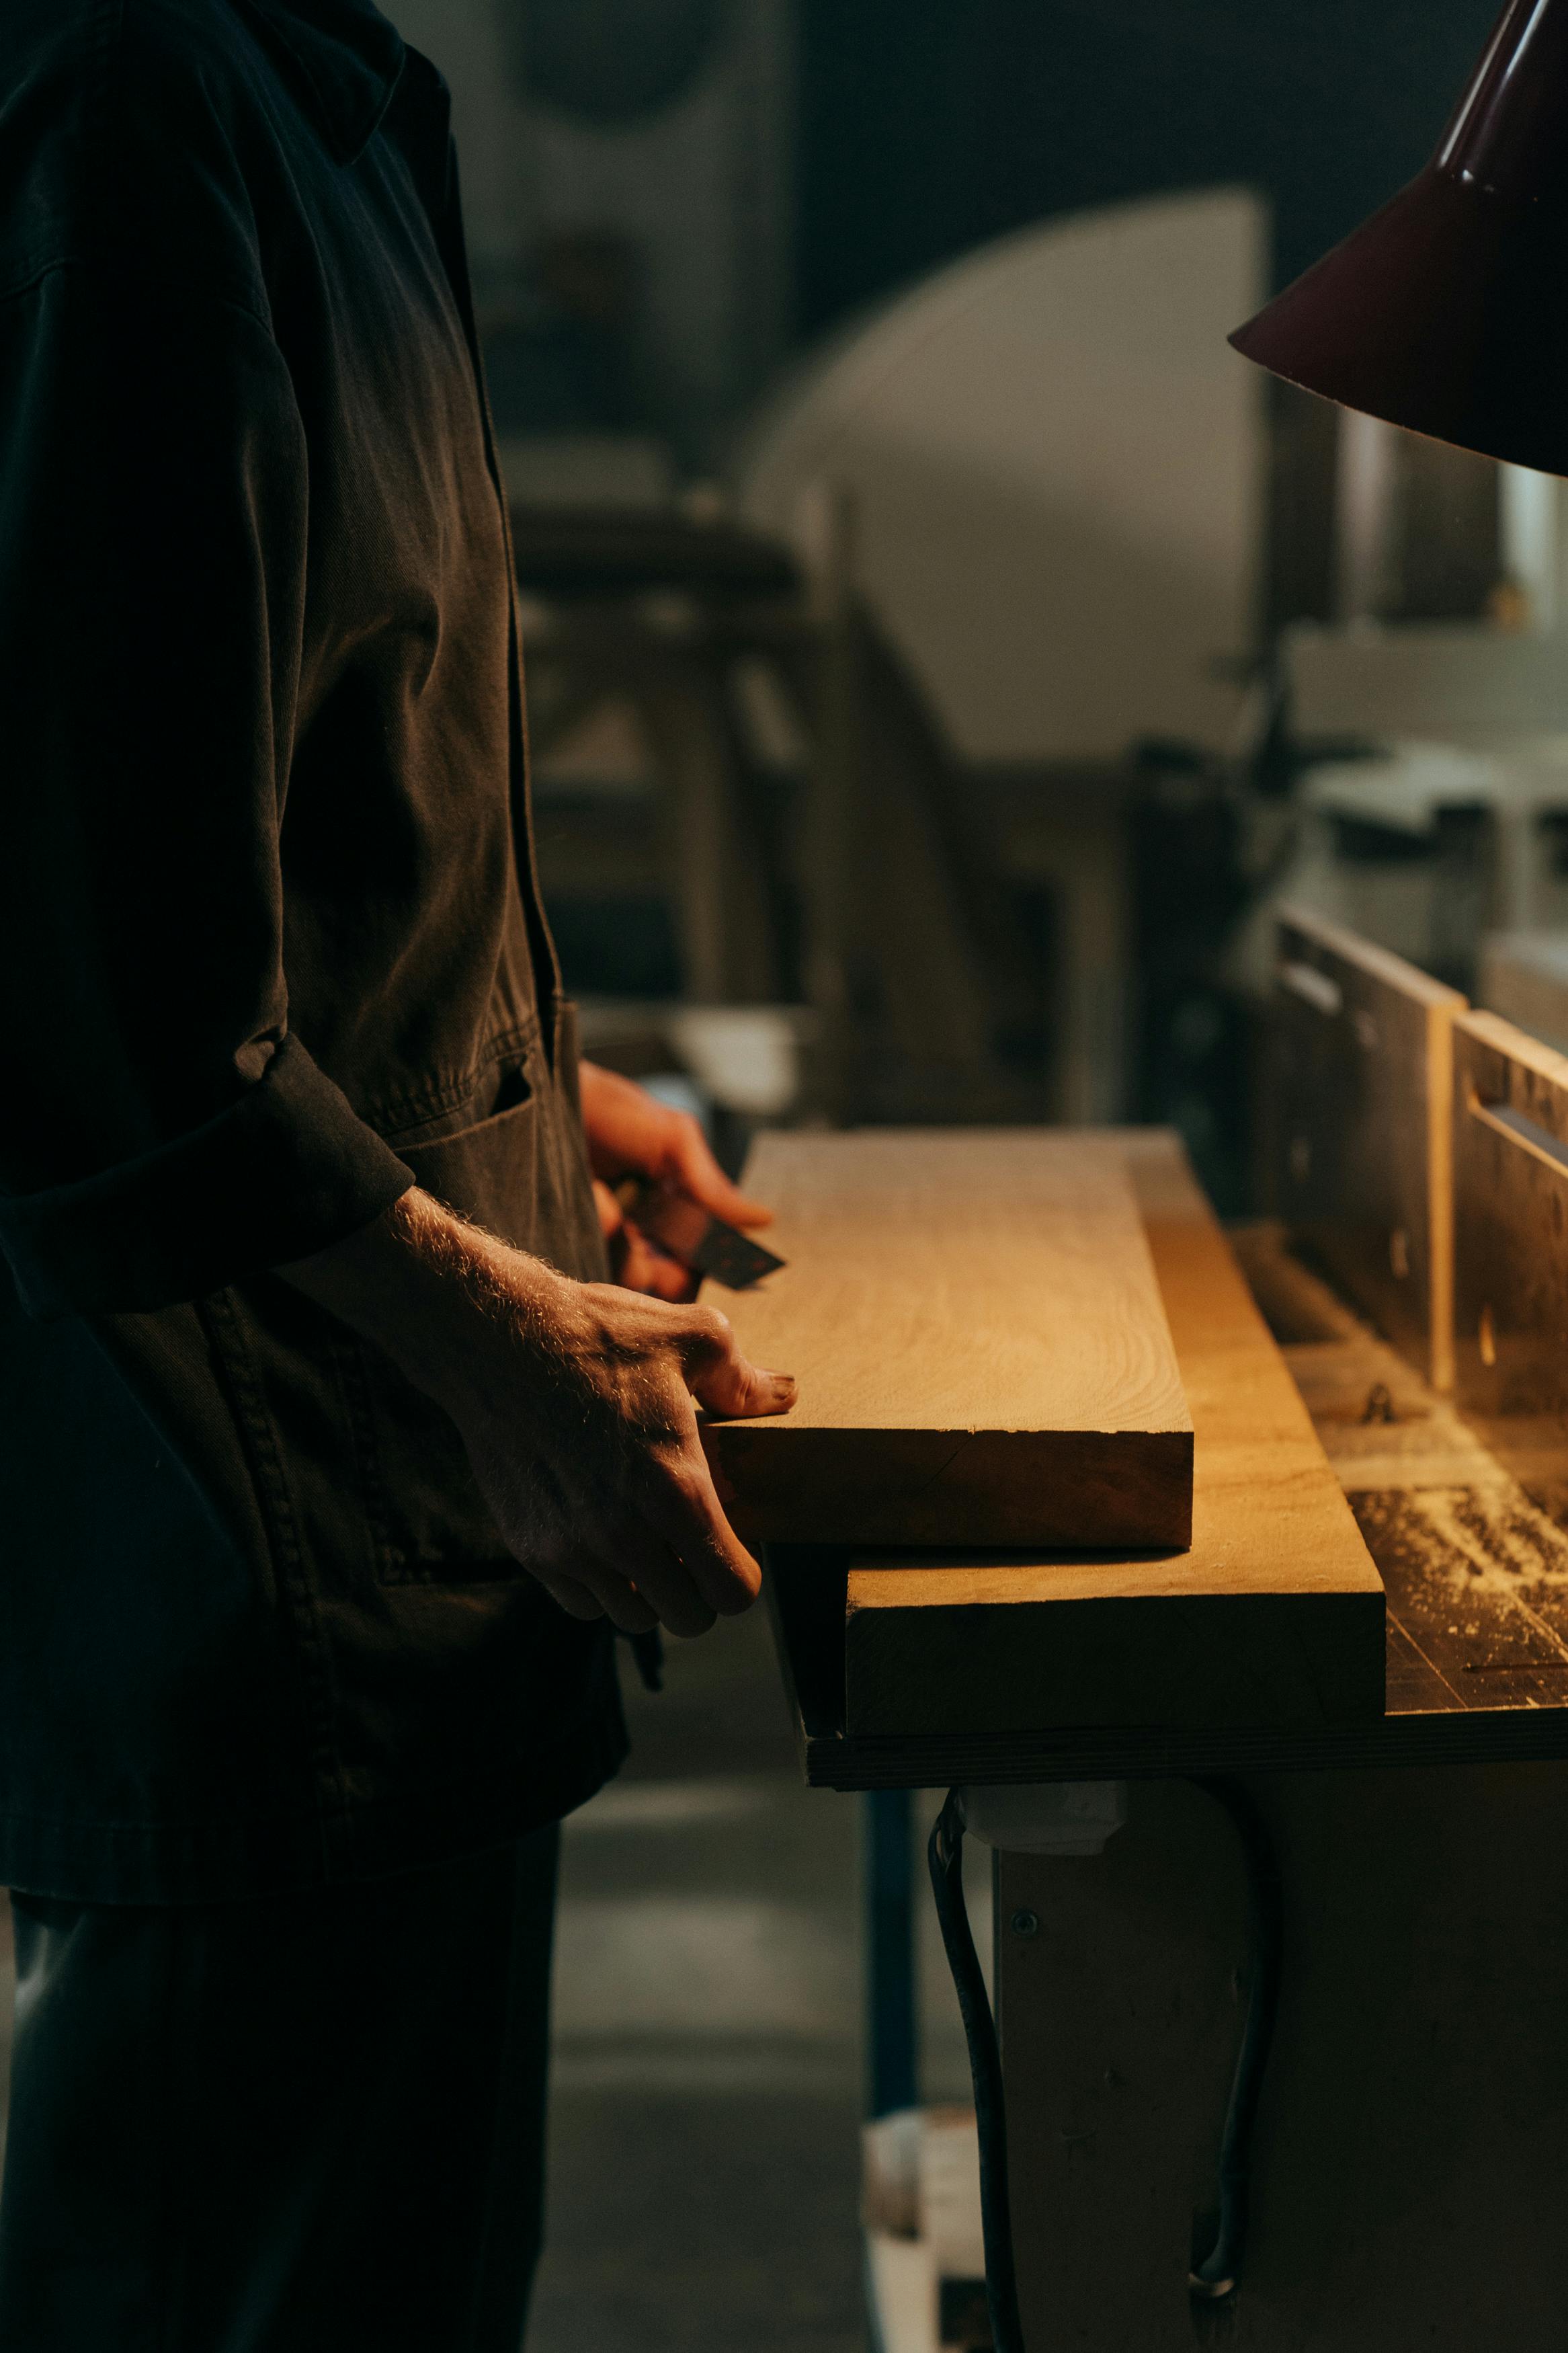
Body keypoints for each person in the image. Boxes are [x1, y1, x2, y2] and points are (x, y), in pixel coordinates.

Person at [0, 0, 795, 2343]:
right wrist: (511, 1333)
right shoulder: (121, 104)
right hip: (256, 1544)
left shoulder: (338, 93)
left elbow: (292, 809)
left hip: (408, 1546)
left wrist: (542, 1085)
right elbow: (74, 994)